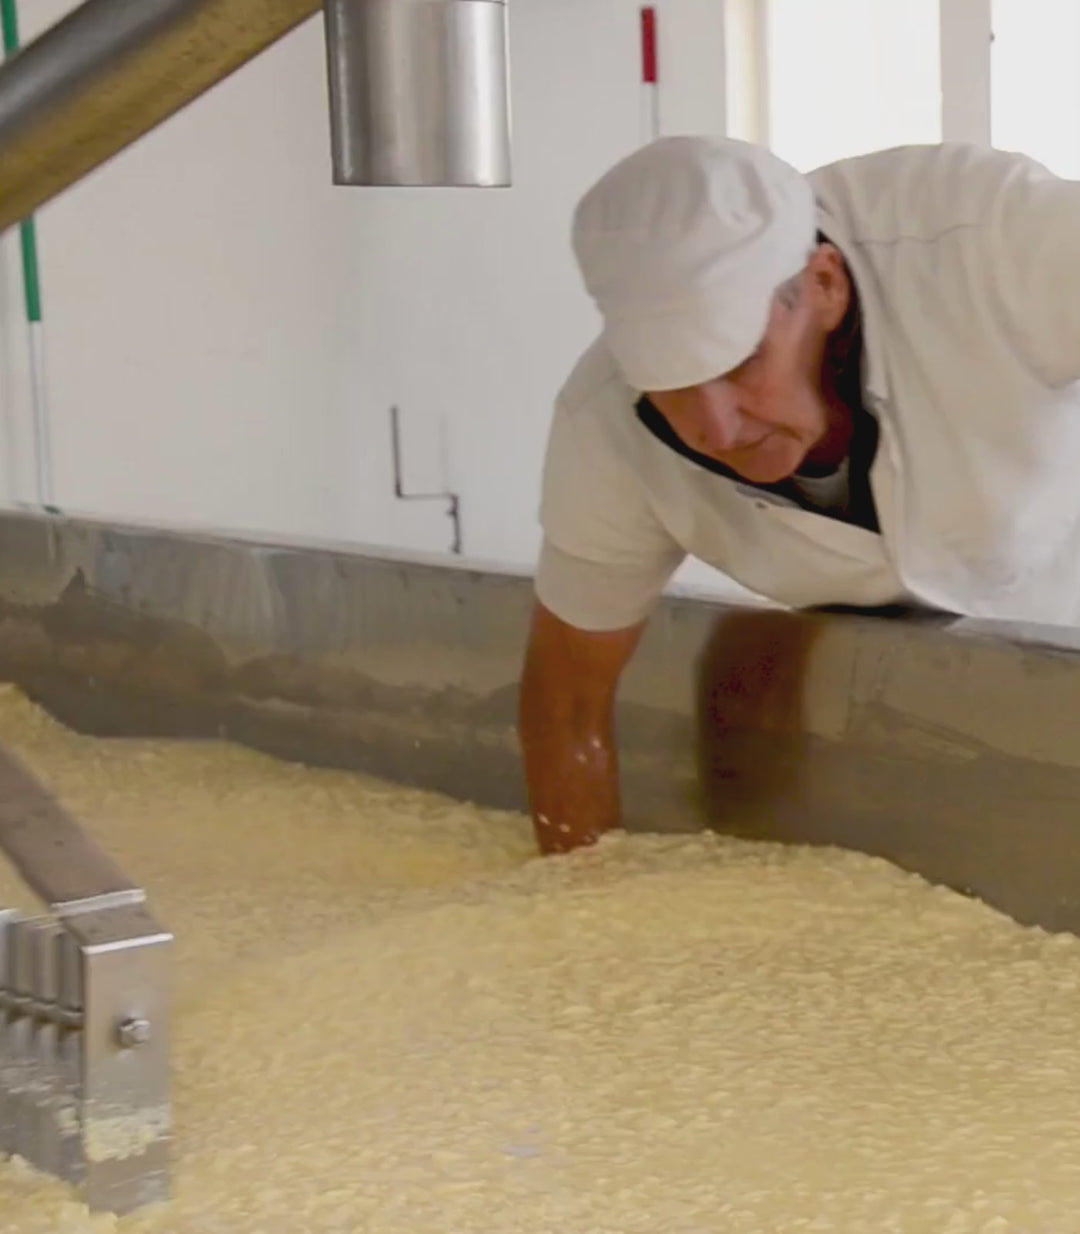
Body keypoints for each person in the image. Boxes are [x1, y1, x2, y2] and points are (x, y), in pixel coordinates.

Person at [519, 134, 1080, 855]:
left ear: (824, 285)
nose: (715, 426)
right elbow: (568, 703)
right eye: (673, 391)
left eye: (744, 362)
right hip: (911, 710)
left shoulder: (988, 244)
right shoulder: (603, 429)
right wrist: (574, 915)